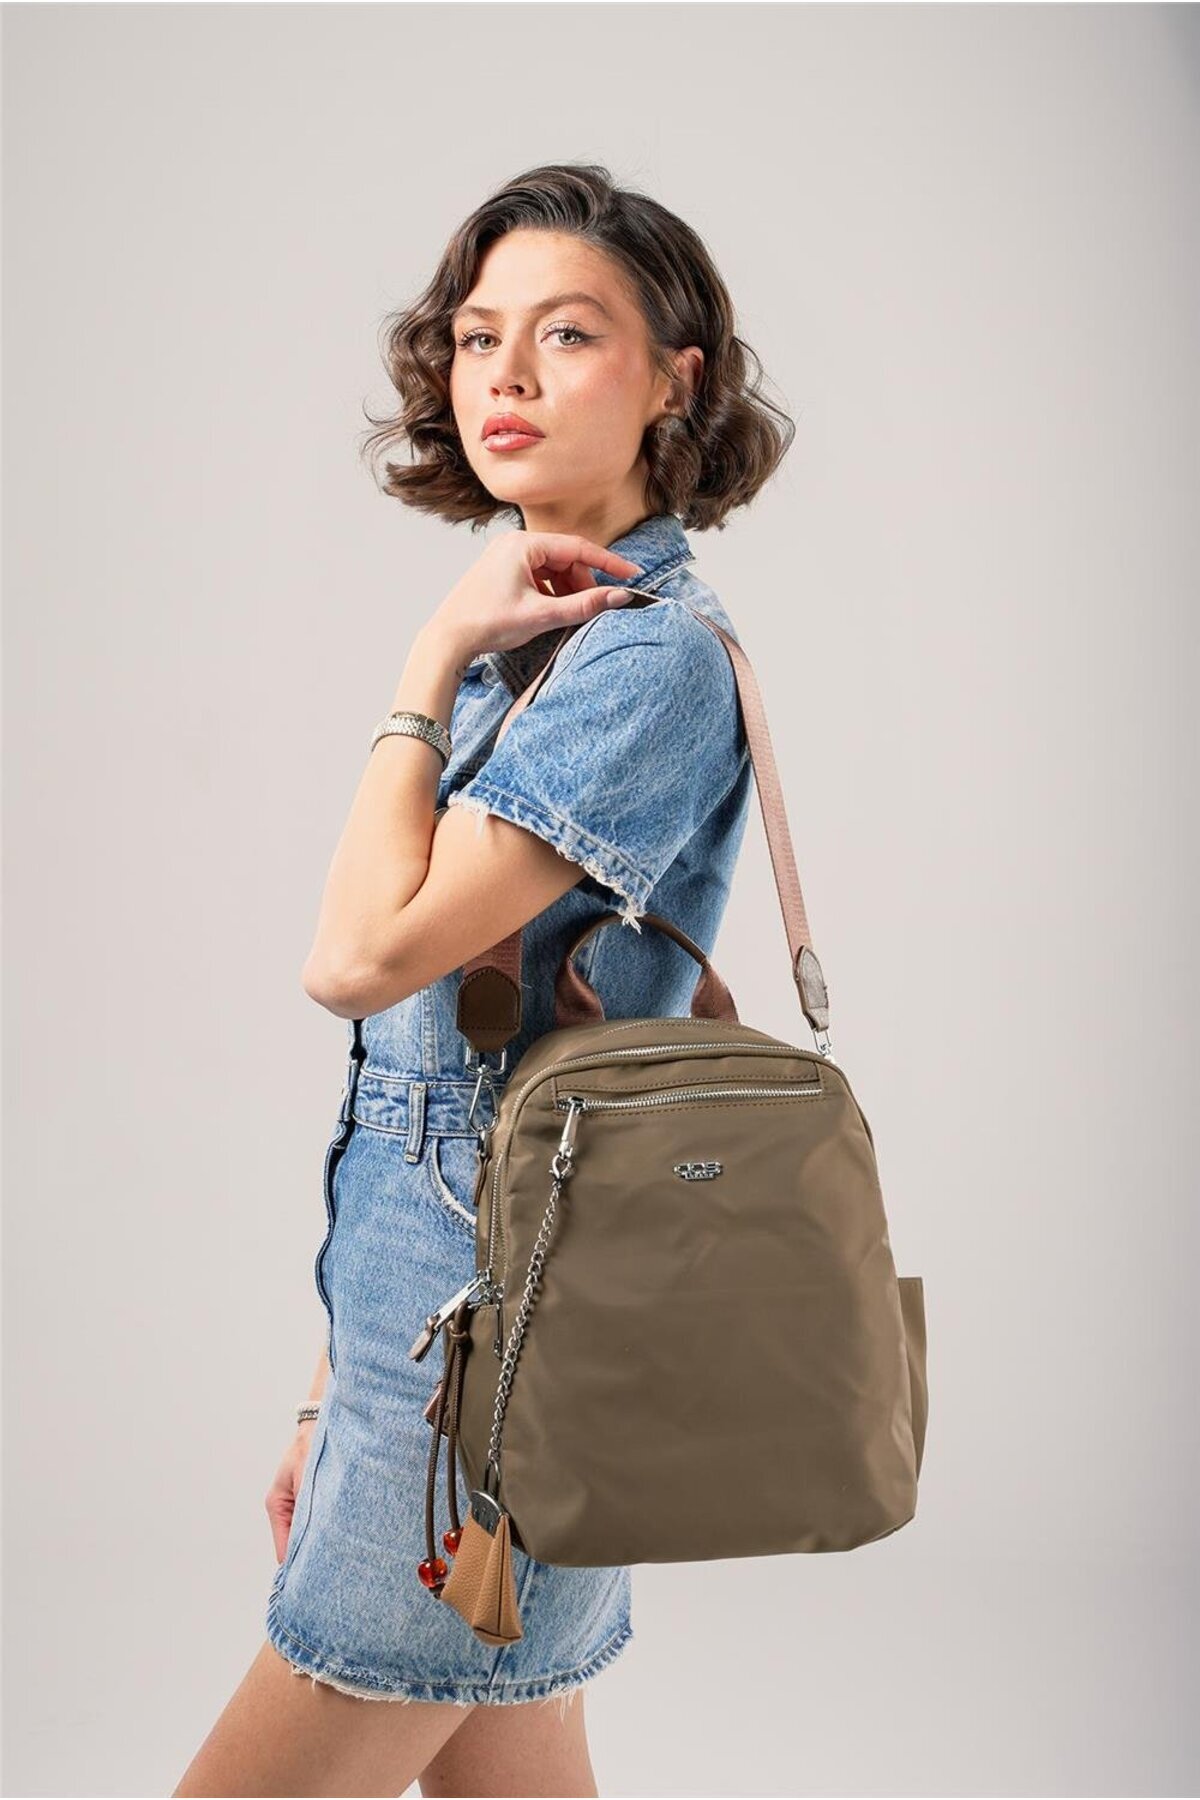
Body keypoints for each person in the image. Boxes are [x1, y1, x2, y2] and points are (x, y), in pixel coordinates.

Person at [174, 160, 793, 1799]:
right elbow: (449, 1084)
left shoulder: (642, 658)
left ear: (677, 379)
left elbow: (358, 961)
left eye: (567, 334)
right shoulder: (550, 640)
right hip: (468, 1330)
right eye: (474, 336)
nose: (504, 373)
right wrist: (331, 1392)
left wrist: (425, 658)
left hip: (489, 1371)